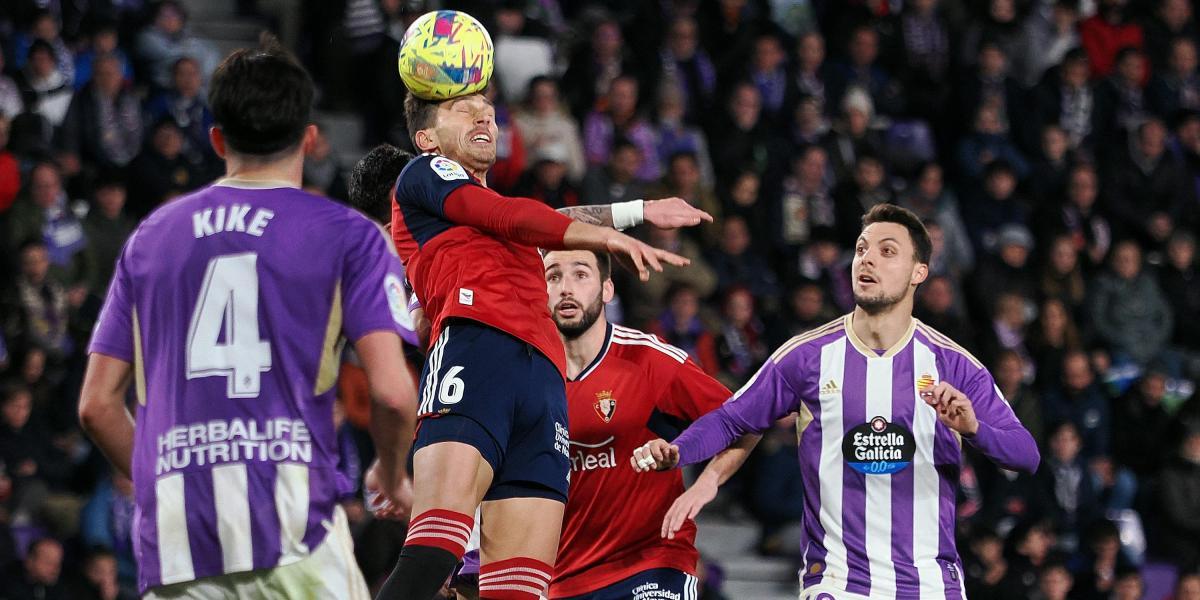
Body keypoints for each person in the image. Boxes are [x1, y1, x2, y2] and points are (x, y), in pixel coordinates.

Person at [77, 41, 419, 598]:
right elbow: (393, 393)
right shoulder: (348, 235)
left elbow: (95, 406)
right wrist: (390, 471)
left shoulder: (150, 239)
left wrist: (166, 488)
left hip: (177, 545)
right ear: (309, 138)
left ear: (216, 140)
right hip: (293, 528)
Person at [382, 87, 710, 600]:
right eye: (462, 109)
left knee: (519, 590)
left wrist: (639, 209)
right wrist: (603, 240)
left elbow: (542, 217)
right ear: (427, 138)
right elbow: (521, 218)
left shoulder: (496, 214)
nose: (483, 114)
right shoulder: (424, 174)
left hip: (544, 383)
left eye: (488, 109)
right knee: (434, 551)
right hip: (476, 354)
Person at [633, 204, 1040, 599]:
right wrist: (679, 451)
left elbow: (1026, 456)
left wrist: (973, 429)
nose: (867, 260)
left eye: (887, 251)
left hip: (931, 583)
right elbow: (730, 420)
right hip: (838, 582)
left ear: (920, 272)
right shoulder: (806, 356)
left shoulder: (953, 364)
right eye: (862, 249)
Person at [541, 249, 759, 599]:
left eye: (580, 275)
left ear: (607, 289)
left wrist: (708, 482)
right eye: (553, 276)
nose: (566, 288)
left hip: (651, 565)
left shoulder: (647, 359)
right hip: (564, 576)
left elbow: (746, 418)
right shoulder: (528, 373)